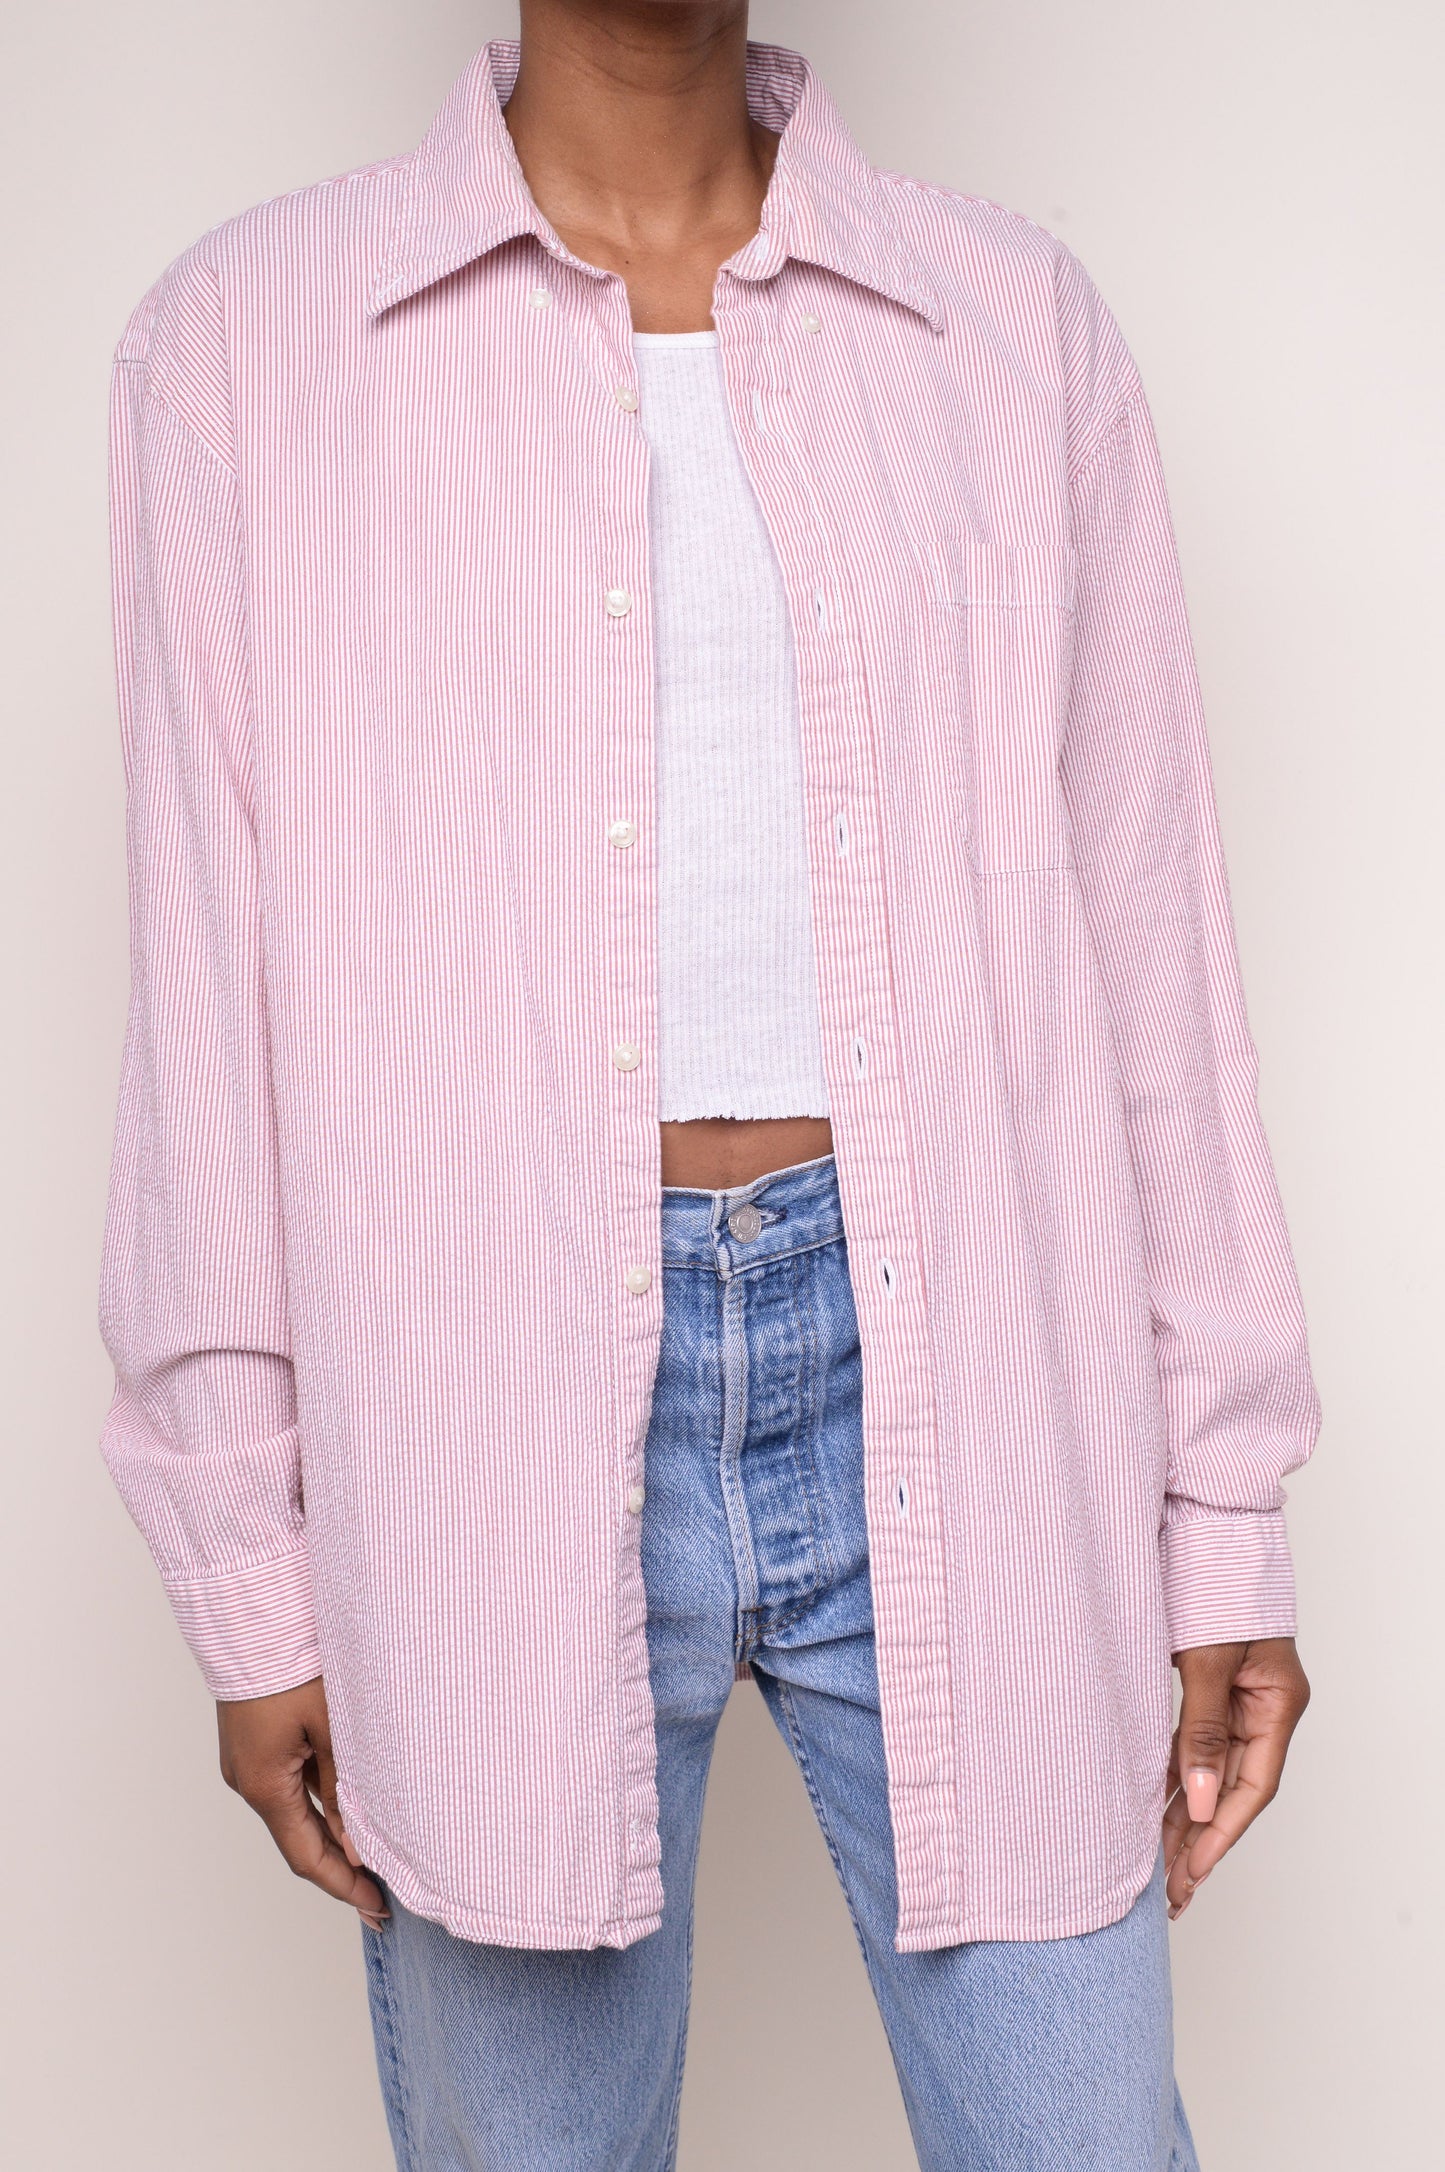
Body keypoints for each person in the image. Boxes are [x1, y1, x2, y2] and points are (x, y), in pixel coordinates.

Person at [97, 4, 1319, 2165]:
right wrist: (246, 1560)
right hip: (471, 1403)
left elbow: (1151, 945)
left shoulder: (1008, 326)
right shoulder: (250, 344)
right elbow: (204, 985)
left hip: (970, 1371)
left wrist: (1223, 1519)